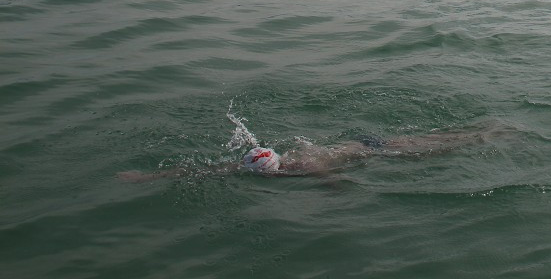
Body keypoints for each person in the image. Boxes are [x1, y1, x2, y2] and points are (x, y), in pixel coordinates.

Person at [117, 129, 488, 182]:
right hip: (356, 144)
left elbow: (333, 182)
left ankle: (481, 136)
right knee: (419, 143)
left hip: (369, 149)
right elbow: (210, 169)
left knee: (428, 150)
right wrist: (148, 177)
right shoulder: (269, 163)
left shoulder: (304, 166)